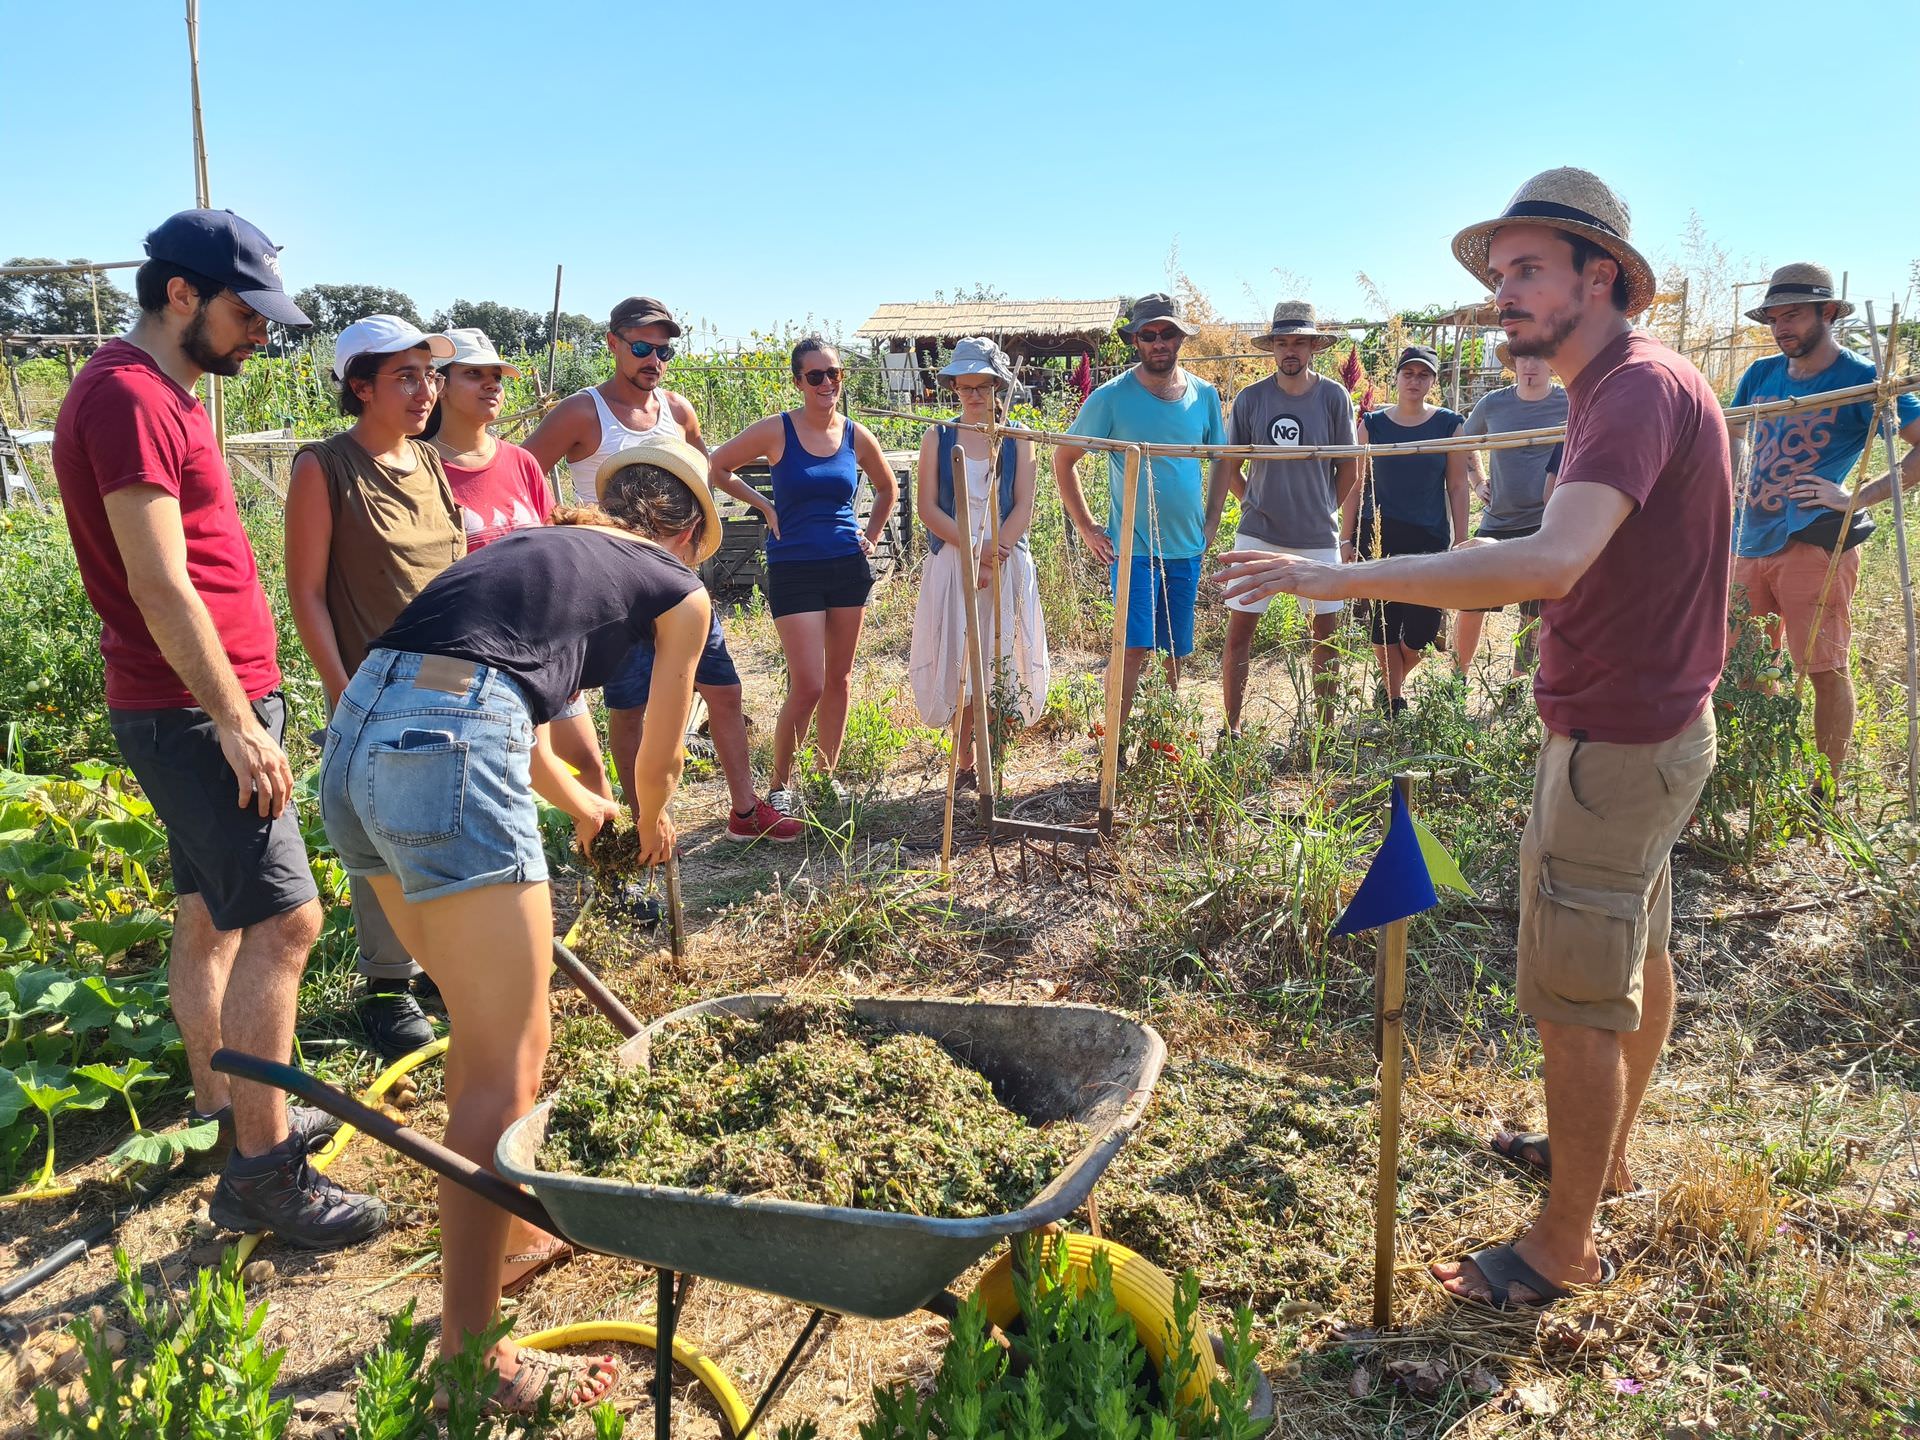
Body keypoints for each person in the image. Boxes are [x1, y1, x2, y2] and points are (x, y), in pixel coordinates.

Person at [1218, 168, 1731, 1309]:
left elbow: (1545, 563)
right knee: (1633, 960)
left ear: (1601, 276)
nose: (1505, 294)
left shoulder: (1638, 390)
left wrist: (1337, 573)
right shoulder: (1617, 389)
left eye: (1527, 271)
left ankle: (1562, 1247)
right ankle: (1606, 1163)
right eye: (1500, 275)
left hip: (1618, 740)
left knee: (1573, 993)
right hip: (1650, 725)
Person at [319, 437, 720, 1412]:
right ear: (684, 534)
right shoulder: (677, 588)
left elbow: (502, 708)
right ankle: (473, 1360)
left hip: (359, 742)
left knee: (478, 1029)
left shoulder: (537, 557)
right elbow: (658, 755)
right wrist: (650, 817)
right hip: (448, 741)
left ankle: (503, 1238)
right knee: (512, 1056)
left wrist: (586, 812)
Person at [50, 209, 384, 1248]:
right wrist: (237, 722)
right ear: (182, 294)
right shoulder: (127, 397)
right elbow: (157, 580)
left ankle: (224, 1108)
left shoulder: (168, 393)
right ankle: (263, 1176)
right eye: (249, 313)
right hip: (197, 711)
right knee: (289, 922)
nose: (263, 336)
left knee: (214, 917)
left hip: (194, 702)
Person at [525, 298, 798, 842]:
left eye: (664, 349)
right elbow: (522, 474)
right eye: (642, 346)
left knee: (723, 691)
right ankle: (643, 824)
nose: (654, 359)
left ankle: (744, 811)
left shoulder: (678, 410)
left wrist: (761, 503)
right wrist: (559, 546)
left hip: (680, 585)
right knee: (631, 710)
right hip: (615, 594)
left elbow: (709, 467)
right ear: (612, 343)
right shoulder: (582, 413)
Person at [285, 316, 463, 1062]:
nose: (427, 391)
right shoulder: (324, 467)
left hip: (450, 676)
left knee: (448, 822)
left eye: (430, 375)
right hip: (373, 684)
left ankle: (447, 963)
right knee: (383, 839)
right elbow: (307, 593)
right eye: (406, 377)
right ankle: (387, 986)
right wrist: (340, 692)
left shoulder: (429, 461)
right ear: (360, 385)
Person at [1731, 262, 1920, 804]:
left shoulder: (1863, 380)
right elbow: (1733, 428)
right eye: (1774, 317)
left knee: (1822, 667)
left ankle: (1823, 792)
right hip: (1749, 538)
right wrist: (1734, 475)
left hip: (1814, 541)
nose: (1781, 326)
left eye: (1793, 314)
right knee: (1743, 663)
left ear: (1829, 313)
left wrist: (1856, 496)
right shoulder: (1762, 375)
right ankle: (1757, 771)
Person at [707, 336, 898, 814]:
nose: (826, 383)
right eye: (815, 376)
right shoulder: (777, 431)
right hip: (793, 565)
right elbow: (717, 466)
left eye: (833, 373)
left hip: (846, 565)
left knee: (841, 678)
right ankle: (779, 784)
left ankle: (825, 776)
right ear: (798, 382)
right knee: (808, 682)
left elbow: (886, 487)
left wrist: (871, 535)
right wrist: (765, 505)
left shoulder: (855, 434)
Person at [424, 327, 612, 805]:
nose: (491, 384)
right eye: (473, 375)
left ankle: (612, 875)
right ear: (439, 384)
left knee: (587, 766)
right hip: (463, 657)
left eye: (496, 376)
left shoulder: (521, 463)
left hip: (538, 646)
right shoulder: (420, 467)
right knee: (496, 781)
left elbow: (551, 544)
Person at [1052, 294, 1226, 745]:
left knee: (1173, 652)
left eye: (1167, 333)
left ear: (1181, 338)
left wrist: (1211, 524)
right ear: (1135, 340)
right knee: (1132, 648)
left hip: (1187, 548)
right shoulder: (1111, 399)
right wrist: (1088, 527)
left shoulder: (1204, 396)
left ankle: (1163, 741)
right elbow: (1064, 458)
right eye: (1148, 335)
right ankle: (1115, 745)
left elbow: (1221, 460)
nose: (1158, 343)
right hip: (1135, 549)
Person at [1205, 301, 1357, 734]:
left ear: (1313, 347)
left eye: (1299, 342)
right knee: (1239, 633)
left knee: (1325, 637)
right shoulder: (1252, 399)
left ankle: (1324, 734)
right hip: (1259, 533)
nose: (1290, 350)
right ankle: (1231, 730)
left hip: (1317, 536)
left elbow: (1349, 465)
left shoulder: (1333, 397)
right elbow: (1229, 465)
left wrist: (1327, 506)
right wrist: (1252, 500)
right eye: (1282, 342)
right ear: (1272, 347)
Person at [908, 338, 1049, 782]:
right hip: (954, 561)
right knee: (962, 658)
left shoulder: (1018, 438)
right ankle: (965, 762)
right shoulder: (938, 435)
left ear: (998, 387)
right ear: (954, 387)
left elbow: (1023, 506)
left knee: (999, 657)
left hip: (1005, 563)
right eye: (965, 387)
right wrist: (973, 552)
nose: (973, 396)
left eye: (983, 387)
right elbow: (928, 508)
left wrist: (994, 556)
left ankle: (993, 762)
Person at [1347, 346, 1470, 713]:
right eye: (1409, 373)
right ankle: (1395, 698)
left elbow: (1458, 486)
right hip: (1380, 532)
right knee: (1384, 621)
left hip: (1429, 536)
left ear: (1433, 380)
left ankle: (1391, 683)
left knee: (1421, 632)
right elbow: (1355, 484)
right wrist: (1346, 537)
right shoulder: (1373, 424)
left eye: (1423, 375)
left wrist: (1462, 540)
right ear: (1397, 378)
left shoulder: (1450, 425)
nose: (1415, 381)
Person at [1453, 341, 1568, 681]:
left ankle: (1518, 680)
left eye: (1539, 356)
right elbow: (1461, 443)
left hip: (1543, 521)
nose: (1530, 364)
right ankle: (1458, 678)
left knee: (1532, 611)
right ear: (1513, 362)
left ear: (1551, 363)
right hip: (1498, 517)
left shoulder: (1568, 402)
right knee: (1472, 600)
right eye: (1523, 357)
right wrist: (1477, 481)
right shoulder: (1494, 404)